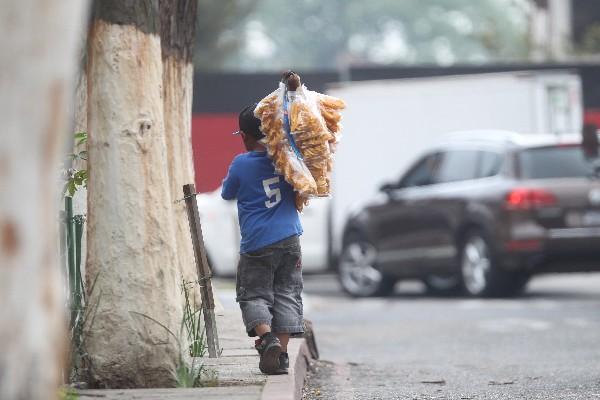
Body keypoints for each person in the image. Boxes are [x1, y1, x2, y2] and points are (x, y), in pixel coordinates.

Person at [221, 103, 304, 375]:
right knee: (287, 293)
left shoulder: (241, 164)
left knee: (254, 293)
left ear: (243, 136)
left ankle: (266, 338)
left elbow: (227, 194)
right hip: (290, 237)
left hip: (257, 242)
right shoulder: (287, 158)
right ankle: (280, 355)